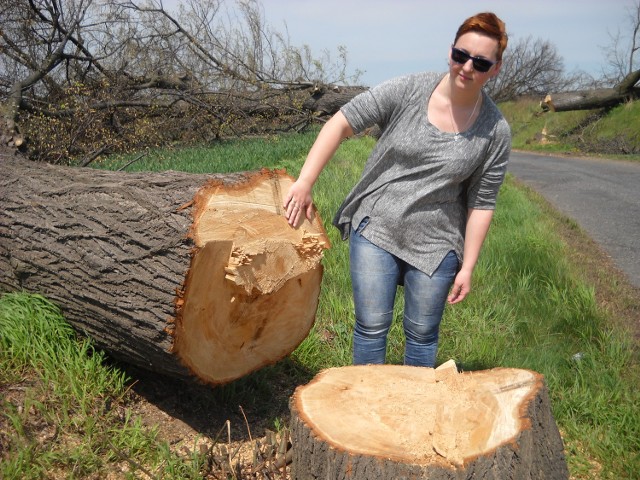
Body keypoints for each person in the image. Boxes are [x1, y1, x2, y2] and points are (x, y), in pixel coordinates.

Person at [283, 12, 510, 367]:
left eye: (480, 62)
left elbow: (482, 202)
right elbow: (342, 121)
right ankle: (367, 411)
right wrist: (305, 181)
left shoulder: (495, 130)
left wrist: (468, 266)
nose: (467, 67)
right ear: (450, 51)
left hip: (437, 243)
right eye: (460, 55)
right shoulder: (410, 89)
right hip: (378, 224)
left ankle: (413, 417)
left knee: (422, 336)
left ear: (494, 69)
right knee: (372, 327)